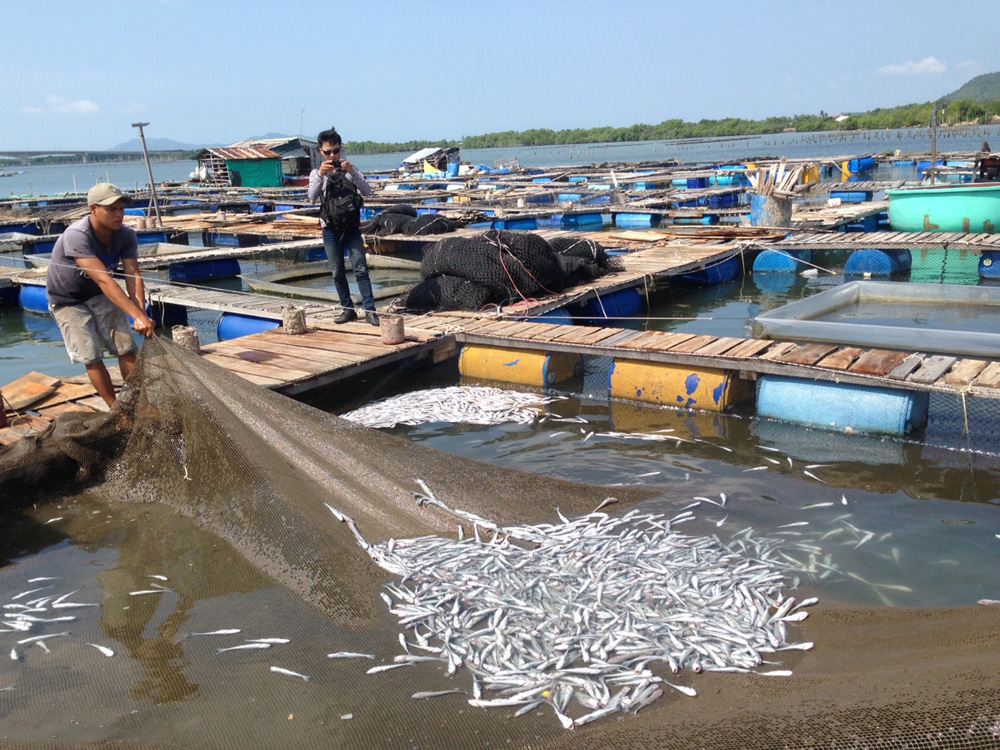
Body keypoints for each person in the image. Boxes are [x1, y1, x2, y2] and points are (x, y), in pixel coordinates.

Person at [46, 183, 155, 407]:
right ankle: (115, 409)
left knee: (125, 346)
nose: (118, 215)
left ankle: (138, 404)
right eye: (111, 209)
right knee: (91, 355)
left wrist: (140, 315)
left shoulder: (126, 235)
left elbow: (133, 275)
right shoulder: (77, 235)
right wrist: (135, 313)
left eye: (121, 209)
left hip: (99, 294)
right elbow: (103, 278)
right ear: (94, 209)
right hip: (67, 299)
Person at [307, 126, 379, 326]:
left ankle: (370, 310)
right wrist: (321, 175)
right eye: (328, 152)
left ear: (341, 150)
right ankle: (348, 310)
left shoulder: (350, 170)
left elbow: (367, 191)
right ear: (321, 152)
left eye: (336, 151)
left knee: (361, 269)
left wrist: (352, 172)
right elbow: (311, 197)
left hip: (351, 228)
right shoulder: (316, 173)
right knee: (337, 271)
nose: (332, 155)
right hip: (330, 229)